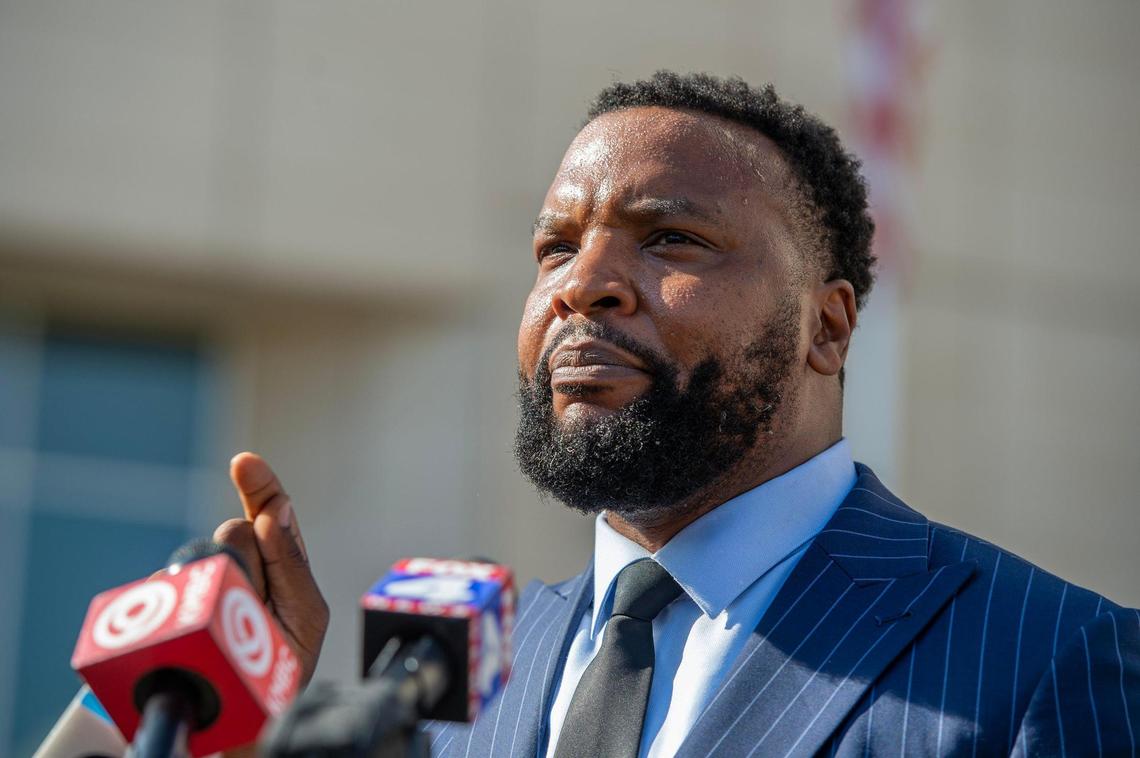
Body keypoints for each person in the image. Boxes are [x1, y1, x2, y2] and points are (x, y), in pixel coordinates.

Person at [215, 72, 1139, 756]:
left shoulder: (1047, 658)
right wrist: (235, 716)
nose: (583, 286)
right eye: (555, 248)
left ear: (827, 325)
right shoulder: (448, 689)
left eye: (670, 239)